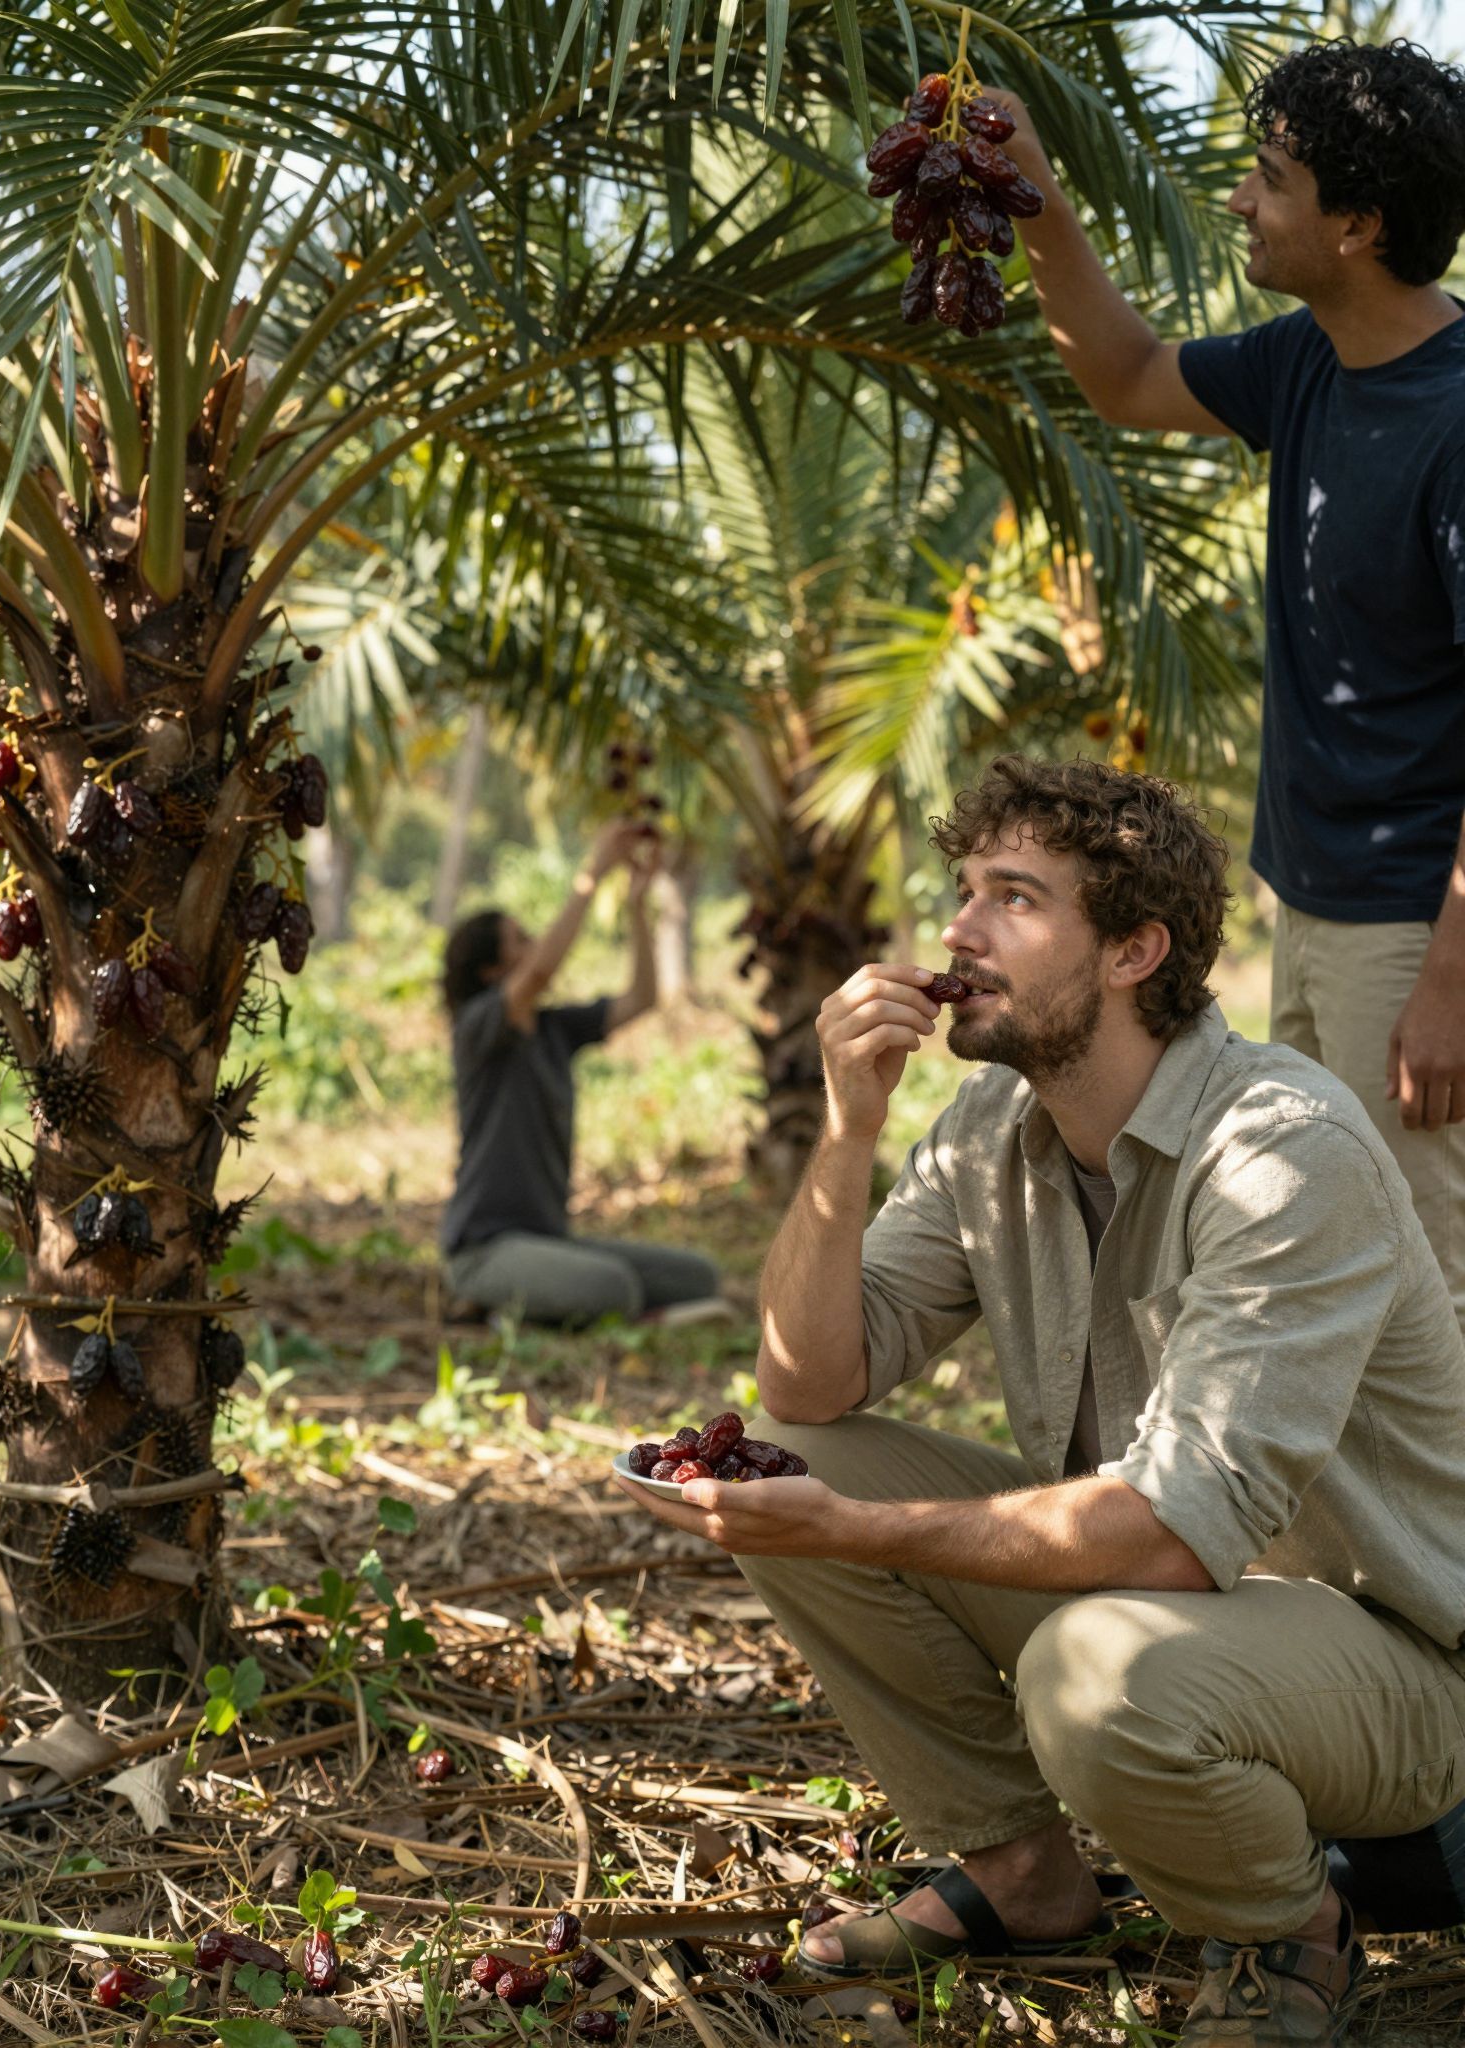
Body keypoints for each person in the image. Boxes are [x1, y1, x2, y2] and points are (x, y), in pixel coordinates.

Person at [616, 755, 1465, 2048]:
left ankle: (1287, 1939)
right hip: (1183, 1616)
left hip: (1401, 1671)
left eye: (1014, 897)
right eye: (963, 891)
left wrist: (848, 1531)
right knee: (792, 1456)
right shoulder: (985, 1130)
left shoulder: (1284, 1149)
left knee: (1089, 1670)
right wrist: (845, 1134)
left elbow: (1177, 1535)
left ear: (1134, 950)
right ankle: (1023, 1871)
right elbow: (808, 1382)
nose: (957, 931)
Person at [984, 38, 1465, 1336]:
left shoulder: (1457, 418)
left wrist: (1452, 979)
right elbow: (1127, 377)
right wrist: (1031, 187)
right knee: (1317, 1262)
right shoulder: (1309, 359)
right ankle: (1332, 1550)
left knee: (1421, 1287)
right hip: (1314, 905)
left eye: (1273, 180)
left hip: (1415, 927)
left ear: (1358, 226)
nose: (1242, 201)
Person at [441, 818, 723, 1325]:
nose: (534, 947)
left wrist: (636, 906)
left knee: (698, 1277)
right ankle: (507, 1307)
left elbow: (642, 998)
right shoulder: (478, 1028)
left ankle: (538, 1306)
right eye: (519, 941)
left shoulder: (554, 1030)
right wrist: (593, 873)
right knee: (610, 1287)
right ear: (491, 972)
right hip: (484, 1249)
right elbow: (542, 971)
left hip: (547, 1240)